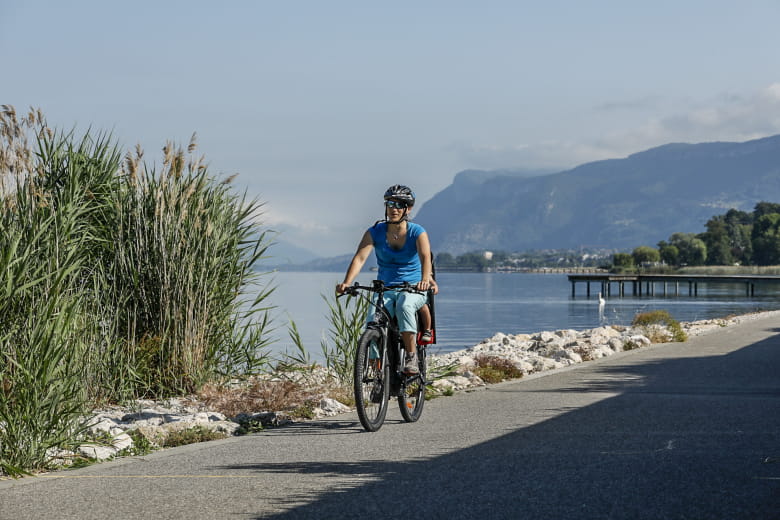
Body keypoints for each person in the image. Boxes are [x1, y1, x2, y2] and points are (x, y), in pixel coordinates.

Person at [336, 184, 438, 374]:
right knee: (373, 323)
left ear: (408, 209)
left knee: (405, 306)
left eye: (399, 205)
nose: (393, 208)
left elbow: (425, 257)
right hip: (386, 287)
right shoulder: (375, 232)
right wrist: (347, 282)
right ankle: (376, 374)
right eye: (390, 203)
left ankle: (411, 357)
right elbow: (359, 258)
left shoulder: (417, 232)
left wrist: (425, 279)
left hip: (413, 287)